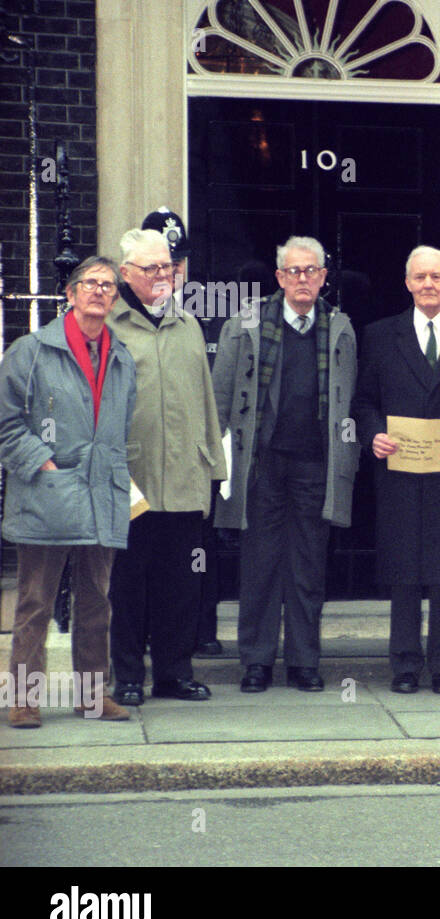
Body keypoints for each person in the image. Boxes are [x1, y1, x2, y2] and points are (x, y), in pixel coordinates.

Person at [212, 236, 360, 692]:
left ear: (323, 277)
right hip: (261, 464)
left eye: (311, 271)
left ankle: (303, 662)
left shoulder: (339, 327)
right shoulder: (246, 324)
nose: (303, 279)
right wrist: (219, 466)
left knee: (308, 567)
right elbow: (218, 398)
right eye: (294, 271)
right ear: (279, 277)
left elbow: (349, 402)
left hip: (315, 466)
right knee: (259, 565)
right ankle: (255, 661)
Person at [1, 257, 135, 727]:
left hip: (102, 492)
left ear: (115, 299)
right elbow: (6, 422)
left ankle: (93, 696)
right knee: (35, 600)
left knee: (97, 599)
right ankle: (24, 699)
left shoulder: (122, 357)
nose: (100, 292)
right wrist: (43, 461)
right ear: (72, 293)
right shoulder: (31, 351)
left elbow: (121, 429)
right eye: (90, 284)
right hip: (46, 492)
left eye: (108, 286)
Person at [353, 246, 440, 695]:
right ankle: (406, 666)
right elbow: (364, 401)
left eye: (436, 277)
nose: (428, 284)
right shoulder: (378, 336)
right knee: (404, 571)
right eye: (420, 277)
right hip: (400, 469)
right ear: (408, 283)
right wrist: (372, 433)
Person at [105, 229, 226, 707]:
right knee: (129, 581)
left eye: (168, 267)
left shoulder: (189, 325)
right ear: (127, 273)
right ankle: (129, 674)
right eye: (151, 268)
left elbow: (206, 400)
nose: (162, 275)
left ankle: (175, 673)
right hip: (129, 478)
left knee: (181, 583)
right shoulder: (110, 326)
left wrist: (215, 467)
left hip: (184, 475)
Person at [141, 206, 225, 658]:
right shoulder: (125, 317)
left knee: (199, 549)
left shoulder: (199, 314)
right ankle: (149, 640)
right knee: (148, 555)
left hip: (193, 454)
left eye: (177, 263)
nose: (171, 271)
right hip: (146, 459)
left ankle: (201, 631)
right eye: (161, 262)